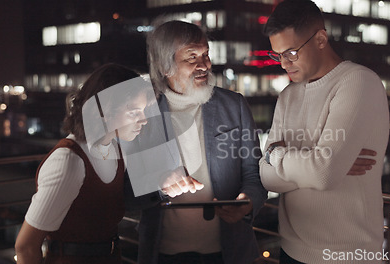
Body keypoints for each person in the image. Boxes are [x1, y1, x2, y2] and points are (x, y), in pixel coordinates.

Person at [14, 63, 199, 264]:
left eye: (143, 110)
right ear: (104, 110)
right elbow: (26, 246)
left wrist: (164, 182)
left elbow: (118, 197)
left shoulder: (117, 151)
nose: (144, 120)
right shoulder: (69, 161)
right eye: (134, 111)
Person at [259, 0, 390, 263]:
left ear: (320, 39)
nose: (283, 64)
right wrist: (314, 162)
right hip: (290, 249)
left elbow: (323, 173)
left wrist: (276, 155)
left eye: (291, 53)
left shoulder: (358, 82)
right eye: (278, 55)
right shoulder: (288, 95)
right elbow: (266, 178)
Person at [137, 20, 268, 264]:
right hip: (162, 253)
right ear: (165, 67)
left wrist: (247, 203)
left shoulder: (234, 105)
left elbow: (254, 173)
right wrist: (160, 184)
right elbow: (128, 187)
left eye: (206, 54)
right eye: (191, 57)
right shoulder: (143, 113)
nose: (204, 64)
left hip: (230, 252)